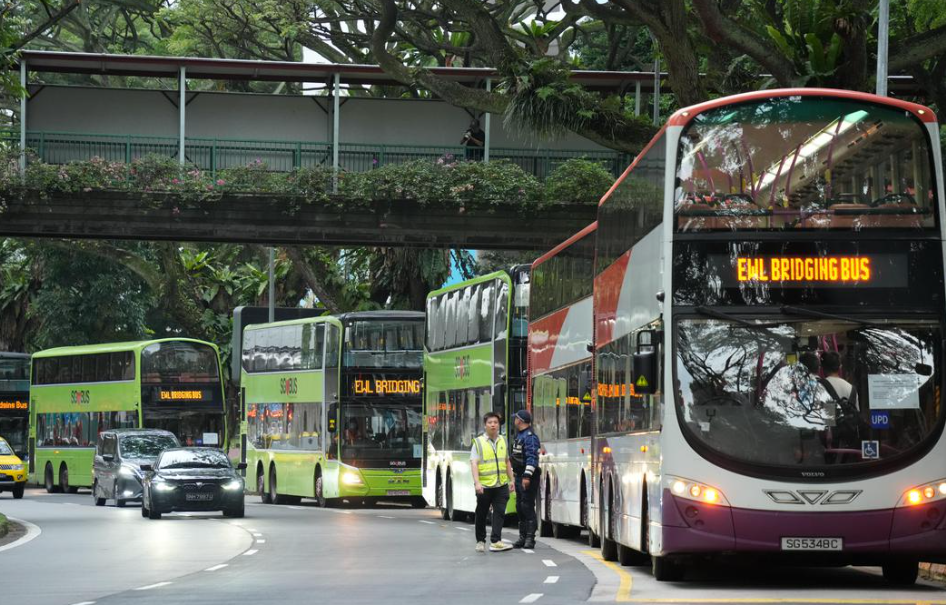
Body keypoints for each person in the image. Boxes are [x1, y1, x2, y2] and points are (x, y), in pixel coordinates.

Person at [470, 411, 515, 553]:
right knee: (482, 513)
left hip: (501, 484)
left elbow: (507, 461)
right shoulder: (478, 442)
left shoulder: (503, 440)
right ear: (485, 425)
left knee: (500, 511)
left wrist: (511, 479)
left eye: (495, 422)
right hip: (485, 485)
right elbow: (474, 463)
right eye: (490, 422)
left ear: (499, 424)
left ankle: (496, 541)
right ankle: (480, 541)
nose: (493, 425)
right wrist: (477, 483)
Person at [510, 409, 541, 549]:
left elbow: (532, 458)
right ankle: (522, 537)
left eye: (515, 418)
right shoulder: (520, 435)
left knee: (527, 506)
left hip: (527, 476)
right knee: (520, 507)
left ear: (520, 421)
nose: (514, 420)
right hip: (519, 476)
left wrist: (527, 476)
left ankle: (530, 539)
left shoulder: (530, 437)